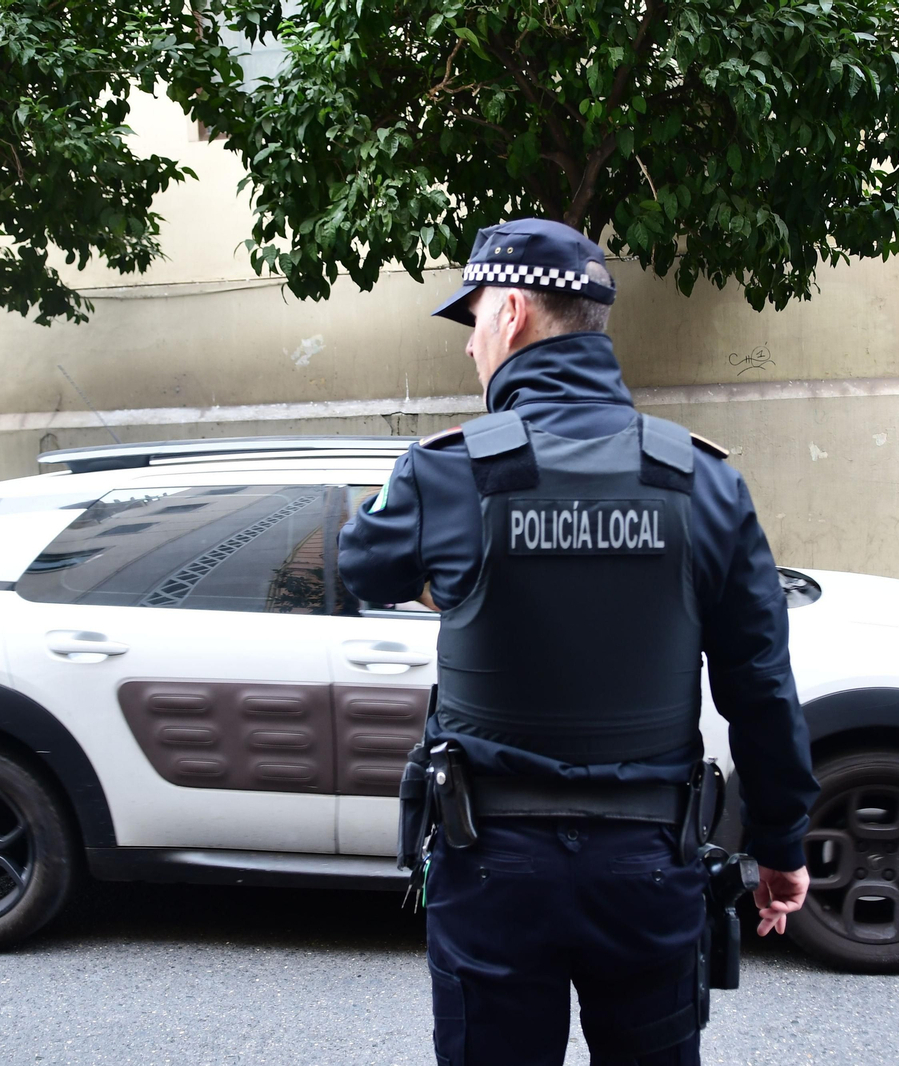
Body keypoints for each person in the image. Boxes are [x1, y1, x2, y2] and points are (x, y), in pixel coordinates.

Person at [337, 218, 819, 1066]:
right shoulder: (700, 477)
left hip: (490, 867)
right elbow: (760, 683)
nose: (470, 347)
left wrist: (450, 571)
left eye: (475, 318)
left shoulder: (445, 471)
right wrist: (780, 849)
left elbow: (359, 568)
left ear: (514, 312)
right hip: (648, 869)